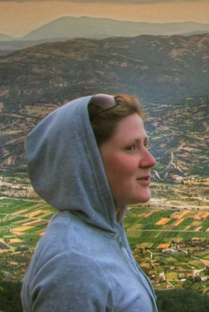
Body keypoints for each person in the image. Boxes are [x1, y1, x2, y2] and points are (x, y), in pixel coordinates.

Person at [21, 94, 158, 311]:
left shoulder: (102, 231)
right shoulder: (74, 262)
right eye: (131, 147)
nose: (151, 160)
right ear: (88, 162)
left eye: (145, 144)